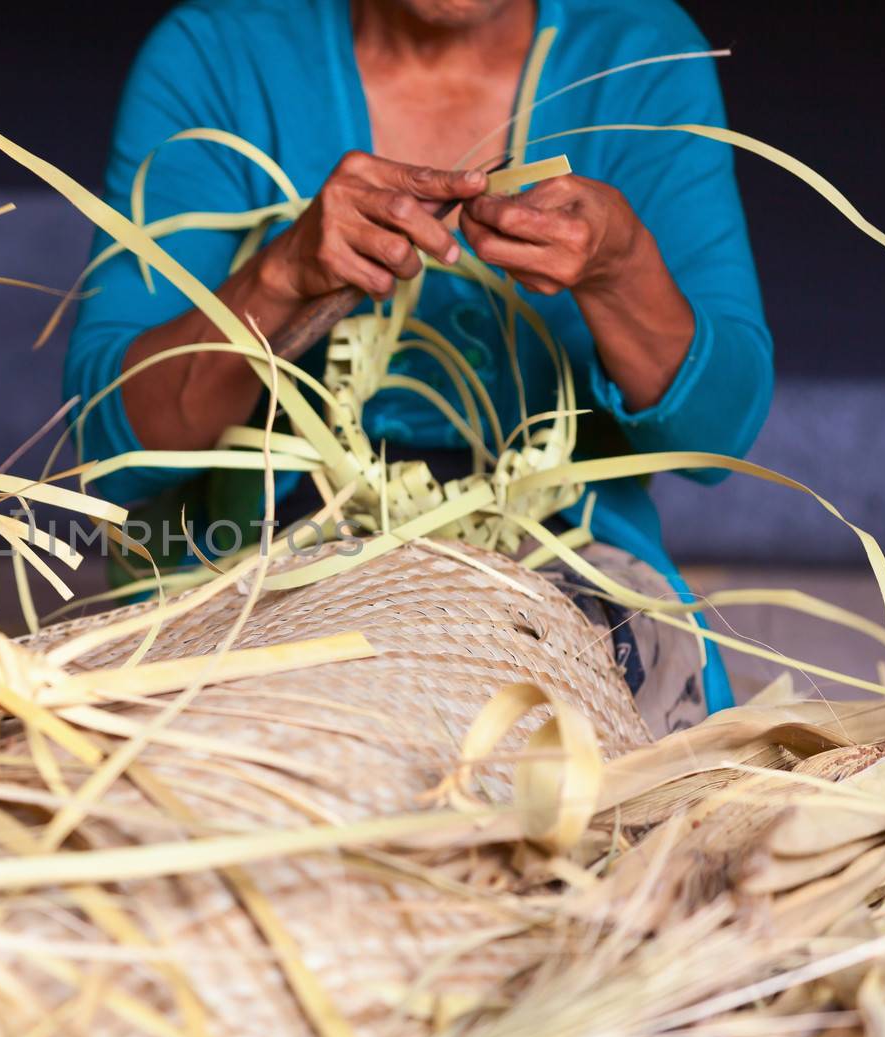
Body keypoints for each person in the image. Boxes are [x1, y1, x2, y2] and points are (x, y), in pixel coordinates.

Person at [64, 0, 774, 733]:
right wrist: (279, 278)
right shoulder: (220, 55)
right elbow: (111, 447)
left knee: (567, 730)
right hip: (271, 567)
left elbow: (718, 436)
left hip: (565, 578)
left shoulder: (640, 56)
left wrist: (622, 270)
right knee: (305, 721)